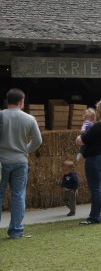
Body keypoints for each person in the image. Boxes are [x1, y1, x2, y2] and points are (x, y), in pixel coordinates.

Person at [0, 88, 42, 239]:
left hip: (2, 162)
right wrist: (26, 149)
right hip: (20, 161)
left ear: (8, 101)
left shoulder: (1, 115)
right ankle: (16, 230)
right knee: (18, 195)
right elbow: (38, 141)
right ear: (21, 102)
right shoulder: (29, 119)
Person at [75, 99, 101, 225]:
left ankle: (94, 217)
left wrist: (78, 137)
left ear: (99, 111)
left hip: (95, 158)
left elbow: (83, 140)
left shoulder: (99, 125)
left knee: (96, 188)